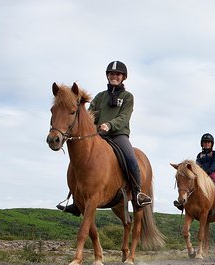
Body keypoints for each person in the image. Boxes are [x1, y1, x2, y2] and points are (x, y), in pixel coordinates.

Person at [57, 60, 152, 216]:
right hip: (99, 135)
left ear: (123, 77)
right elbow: (90, 115)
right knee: (79, 161)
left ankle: (137, 194)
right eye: (111, 74)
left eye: (118, 74)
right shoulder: (101, 97)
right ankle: (76, 200)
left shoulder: (128, 97)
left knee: (130, 158)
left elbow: (124, 117)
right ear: (108, 76)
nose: (114, 76)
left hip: (118, 135)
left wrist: (109, 125)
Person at [175, 133, 215, 209]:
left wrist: (210, 170)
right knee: (190, 183)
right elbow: (197, 166)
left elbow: (214, 163)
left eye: (208, 142)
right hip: (201, 175)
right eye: (205, 142)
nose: (207, 144)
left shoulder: (214, 153)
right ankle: (183, 203)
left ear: (211, 144)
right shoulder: (199, 155)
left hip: (211, 173)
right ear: (202, 144)